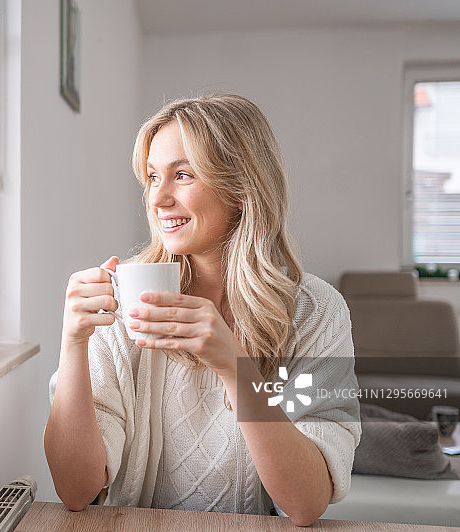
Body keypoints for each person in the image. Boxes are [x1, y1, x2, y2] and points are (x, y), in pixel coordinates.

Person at [43, 94, 360, 527]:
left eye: (183, 175)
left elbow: (307, 503)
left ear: (241, 185)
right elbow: (75, 490)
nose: (158, 198)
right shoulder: (121, 296)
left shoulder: (315, 311)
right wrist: (72, 342)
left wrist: (236, 370)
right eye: (152, 177)